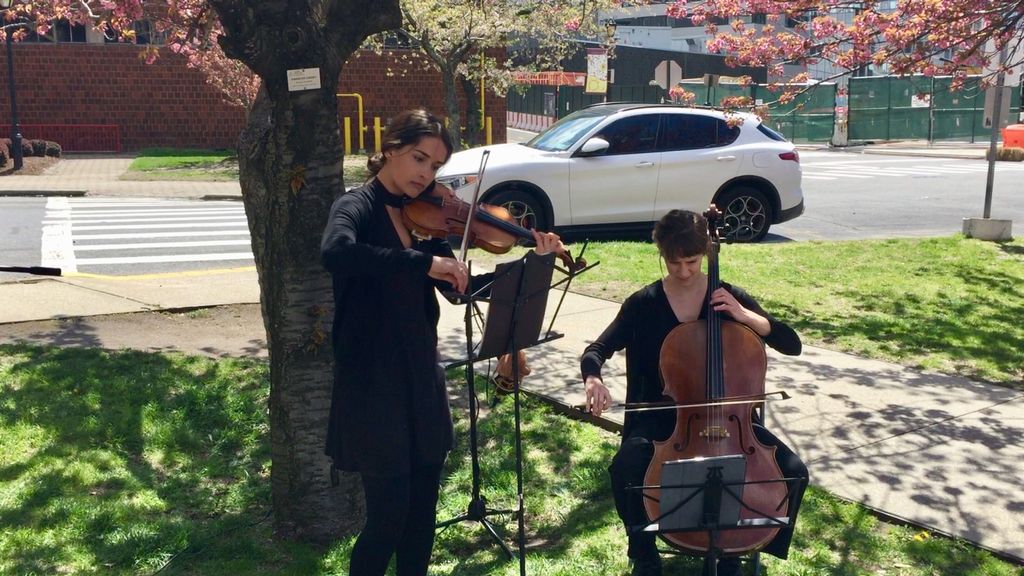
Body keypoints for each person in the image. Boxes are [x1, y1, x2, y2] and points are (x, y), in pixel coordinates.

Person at [321, 108, 563, 576]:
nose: (426, 174)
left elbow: (464, 287)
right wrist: (422, 264)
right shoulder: (356, 206)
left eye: (435, 166)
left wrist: (534, 261)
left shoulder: (427, 217)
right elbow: (336, 253)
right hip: (372, 381)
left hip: (420, 377)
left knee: (422, 520)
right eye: (418, 159)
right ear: (389, 150)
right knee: (387, 520)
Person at [580, 209, 807, 576]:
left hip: (733, 426)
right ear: (661, 255)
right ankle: (644, 553)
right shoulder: (644, 303)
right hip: (663, 423)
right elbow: (596, 350)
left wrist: (746, 317)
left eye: (692, 261)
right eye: (674, 263)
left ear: (706, 254)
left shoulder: (729, 297)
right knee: (625, 468)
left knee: (795, 472)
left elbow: (791, 343)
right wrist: (593, 379)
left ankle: (741, 546)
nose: (684, 271)